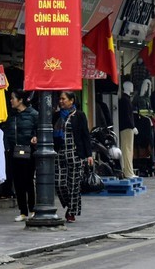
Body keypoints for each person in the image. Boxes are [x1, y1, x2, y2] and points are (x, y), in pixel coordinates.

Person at [53, 91, 93, 223]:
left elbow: (85, 135)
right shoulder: (57, 116)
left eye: (64, 99)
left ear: (71, 101)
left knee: (74, 184)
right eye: (60, 99)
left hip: (75, 153)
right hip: (60, 154)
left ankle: (71, 211)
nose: (61, 101)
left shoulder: (79, 115)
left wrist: (88, 155)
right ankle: (69, 204)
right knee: (60, 183)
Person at [5, 89, 38, 222]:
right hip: (14, 152)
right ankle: (23, 211)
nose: (11, 101)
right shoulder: (12, 116)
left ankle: (33, 209)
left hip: (29, 152)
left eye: (13, 98)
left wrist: (35, 137)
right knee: (17, 182)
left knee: (28, 181)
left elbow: (39, 130)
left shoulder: (34, 114)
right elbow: (8, 132)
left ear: (20, 100)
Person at [119, 81, 137, 178]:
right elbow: (127, 116)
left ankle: (129, 171)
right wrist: (132, 126)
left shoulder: (126, 99)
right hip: (127, 128)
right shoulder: (125, 100)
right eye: (131, 86)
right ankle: (128, 172)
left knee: (129, 149)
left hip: (128, 127)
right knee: (127, 149)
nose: (132, 88)